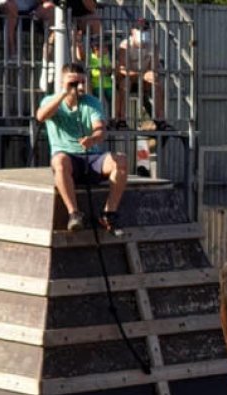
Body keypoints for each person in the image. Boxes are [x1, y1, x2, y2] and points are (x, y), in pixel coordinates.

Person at [35, 62, 129, 234]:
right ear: (63, 83)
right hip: (67, 159)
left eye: (82, 82)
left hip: (91, 157)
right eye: (73, 82)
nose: (79, 86)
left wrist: (93, 138)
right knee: (59, 160)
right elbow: (41, 117)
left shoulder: (92, 102)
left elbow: (100, 129)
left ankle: (109, 212)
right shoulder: (51, 101)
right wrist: (63, 94)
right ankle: (74, 213)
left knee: (121, 159)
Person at [116, 18, 167, 129]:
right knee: (125, 85)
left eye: (145, 29)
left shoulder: (153, 46)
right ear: (132, 31)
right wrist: (141, 75)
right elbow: (122, 69)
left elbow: (153, 66)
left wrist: (152, 74)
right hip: (130, 79)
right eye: (139, 29)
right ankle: (122, 120)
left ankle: (160, 120)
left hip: (144, 79)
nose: (142, 32)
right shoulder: (125, 45)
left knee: (157, 85)